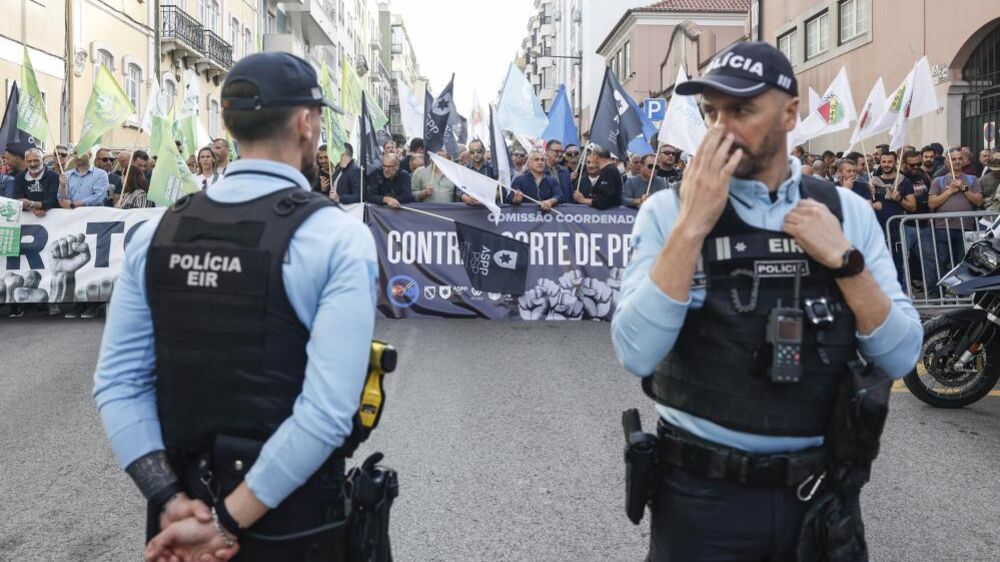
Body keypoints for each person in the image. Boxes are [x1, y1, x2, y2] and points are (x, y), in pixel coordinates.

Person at [611, 41, 921, 561]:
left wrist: (846, 262)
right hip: (701, 501)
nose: (721, 128)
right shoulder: (668, 212)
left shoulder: (845, 212)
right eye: (712, 112)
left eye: (742, 110)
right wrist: (692, 226)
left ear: (790, 113)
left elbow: (902, 356)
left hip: (819, 497)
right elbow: (635, 353)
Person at [93, 51, 379, 562]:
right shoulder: (337, 238)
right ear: (305, 122)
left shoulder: (157, 234)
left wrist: (171, 500)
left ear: (229, 122)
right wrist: (226, 524)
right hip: (292, 522)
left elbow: (118, 384)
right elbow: (327, 412)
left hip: (180, 518)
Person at [922, 149, 984, 297]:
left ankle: (962, 293)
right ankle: (939, 293)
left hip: (965, 228)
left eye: (959, 159)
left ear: (964, 161)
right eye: (953, 159)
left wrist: (964, 189)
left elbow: (979, 201)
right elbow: (931, 203)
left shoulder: (972, 180)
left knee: (962, 262)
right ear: (946, 162)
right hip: (943, 228)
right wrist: (949, 191)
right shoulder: (939, 181)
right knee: (941, 261)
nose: (956, 161)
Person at [573, 144, 621, 209]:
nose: (591, 158)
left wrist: (583, 200)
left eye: (592, 155)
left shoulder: (609, 171)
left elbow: (605, 201)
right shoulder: (607, 170)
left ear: (596, 156)